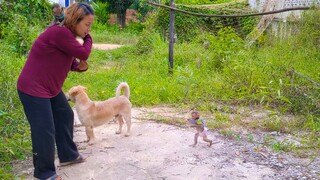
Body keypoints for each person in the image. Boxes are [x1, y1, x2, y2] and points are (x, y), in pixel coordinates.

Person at [17, 2, 94, 180]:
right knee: (44, 129)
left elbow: (64, 58)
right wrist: (89, 39)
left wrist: (77, 67)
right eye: (87, 25)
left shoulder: (64, 35)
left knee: (65, 114)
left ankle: (67, 155)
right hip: (33, 89)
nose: (88, 30)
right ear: (75, 20)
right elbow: (83, 53)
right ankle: (44, 173)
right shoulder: (59, 32)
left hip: (49, 88)